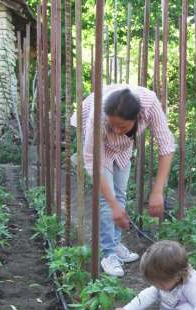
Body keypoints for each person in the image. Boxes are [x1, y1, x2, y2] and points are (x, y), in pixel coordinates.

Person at [74, 85, 175, 277]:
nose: (117, 130)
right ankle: (108, 254)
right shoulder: (98, 114)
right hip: (99, 147)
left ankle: (115, 242)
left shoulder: (150, 104)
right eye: (113, 125)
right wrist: (113, 206)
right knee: (108, 199)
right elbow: (91, 159)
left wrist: (157, 191)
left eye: (122, 126)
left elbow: (166, 146)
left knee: (121, 194)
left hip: (122, 149)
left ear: (136, 118)